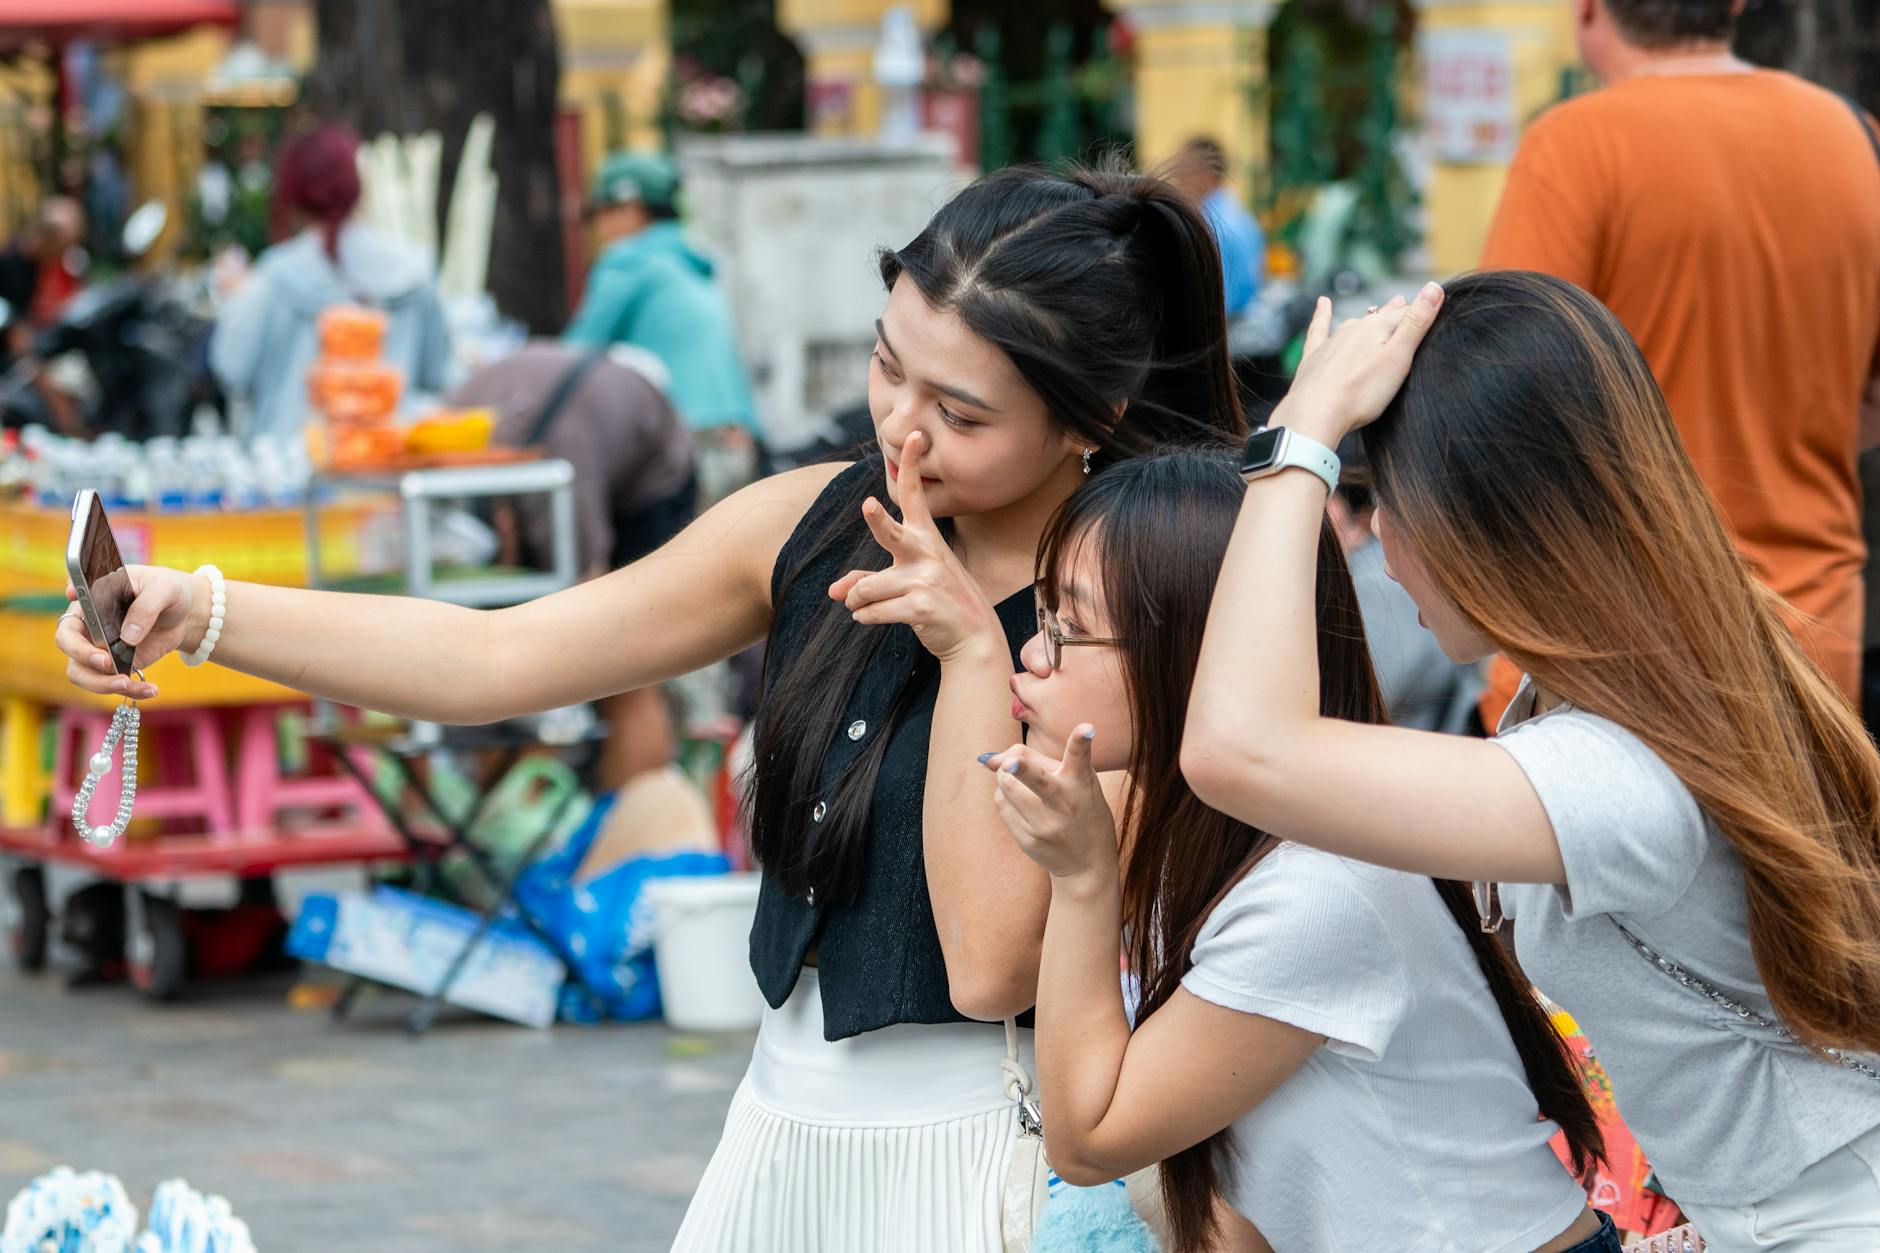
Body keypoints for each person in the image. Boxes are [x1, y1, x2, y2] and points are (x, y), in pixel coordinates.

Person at [57, 164, 1244, 1251]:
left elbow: (991, 964)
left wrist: (969, 647)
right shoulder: (813, 519)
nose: (901, 430)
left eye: (963, 415)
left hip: (984, 1153)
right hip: (779, 1129)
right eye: (887, 367)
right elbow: (499, 657)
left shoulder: (1132, 613)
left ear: (1086, 420)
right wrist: (200, 608)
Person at [1184, 271, 1880, 1248]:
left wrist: (1298, 436)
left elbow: (1235, 747)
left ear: (1493, 513)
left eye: (1384, 493)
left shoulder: (1616, 771)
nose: (1375, 533)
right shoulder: (1632, 692)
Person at [980, 449, 1612, 1253]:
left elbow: (1090, 1136)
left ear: (1193, 654)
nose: (1034, 654)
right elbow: (1236, 1194)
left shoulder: (1315, 886)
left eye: (1068, 628)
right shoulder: (1216, 839)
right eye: (1040, 617)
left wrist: (1080, 876)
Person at [1479, 0, 1880, 707]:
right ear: (1735, 4)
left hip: (1621, 653)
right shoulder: (1856, 140)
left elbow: (1496, 403)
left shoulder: (1575, 145)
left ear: (1589, 10)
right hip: (1814, 645)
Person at [448, 341, 698, 789]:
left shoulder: (562, 469)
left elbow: (589, 591)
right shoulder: (457, 445)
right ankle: (525, 822)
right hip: (565, 435)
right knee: (508, 645)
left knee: (626, 659)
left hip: (652, 478)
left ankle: (630, 824)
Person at [210, 123, 451, 444]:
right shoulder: (414, 269)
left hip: (292, 474)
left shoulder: (272, 278)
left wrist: (236, 297)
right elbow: (440, 374)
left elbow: (230, 368)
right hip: (388, 466)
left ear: (291, 195)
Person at [564, 150, 761, 505]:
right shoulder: (689, 263)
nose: (600, 229)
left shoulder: (629, 262)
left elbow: (573, 357)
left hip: (687, 438)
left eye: (603, 214)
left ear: (629, 208)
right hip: (736, 435)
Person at [1329, 434, 1480, 731]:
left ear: (1360, 520)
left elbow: (1351, 706)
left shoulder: (1374, 584)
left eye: (1322, 505)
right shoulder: (1375, 569)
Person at [1165, 137, 1264, 319]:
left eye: (1182, 168)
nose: (1176, 178)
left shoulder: (1212, 225)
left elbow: (1217, 304)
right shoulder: (1240, 213)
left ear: (1205, 174)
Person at [0, 196, 85, 333]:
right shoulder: (8, 264)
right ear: (47, 240)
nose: (60, 257)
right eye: (60, 249)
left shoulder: (37, 266)